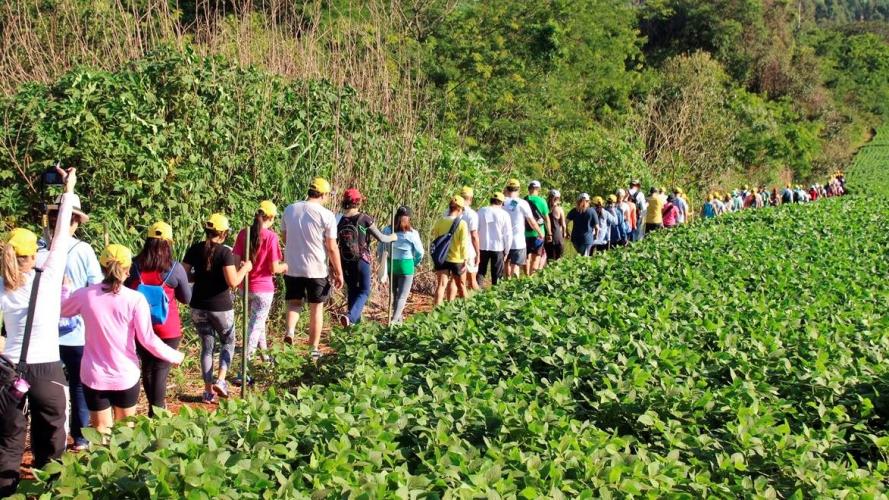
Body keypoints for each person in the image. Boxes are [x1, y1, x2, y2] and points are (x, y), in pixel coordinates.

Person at [0, 166, 76, 496]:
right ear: (34, 255)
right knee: (52, 438)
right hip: (47, 368)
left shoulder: (2, 286)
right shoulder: (48, 275)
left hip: (8, 369)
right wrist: (67, 188)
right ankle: (48, 491)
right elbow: (60, 235)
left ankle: (5, 491)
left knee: (8, 441)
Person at [62, 244, 184, 434]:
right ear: (128, 270)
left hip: (94, 376)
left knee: (101, 431)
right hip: (125, 375)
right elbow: (148, 339)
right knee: (125, 434)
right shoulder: (135, 299)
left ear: (102, 268)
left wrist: (65, 288)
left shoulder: (84, 296)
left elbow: (62, 310)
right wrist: (174, 356)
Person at [37, 192, 101, 451]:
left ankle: (50, 439)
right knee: (77, 384)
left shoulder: (38, 251)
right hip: (76, 333)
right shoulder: (83, 250)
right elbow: (96, 287)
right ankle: (80, 437)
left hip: (43, 334)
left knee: (46, 388)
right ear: (75, 222)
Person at [183, 213, 252, 403]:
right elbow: (233, 282)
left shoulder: (195, 249)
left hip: (198, 305)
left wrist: (200, 277)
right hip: (220, 306)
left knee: (207, 347)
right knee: (228, 342)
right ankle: (221, 380)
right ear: (222, 233)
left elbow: (184, 275)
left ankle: (207, 391)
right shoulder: (224, 253)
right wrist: (245, 269)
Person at [127, 222, 191, 417]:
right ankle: (156, 412)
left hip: (141, 326)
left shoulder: (134, 265)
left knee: (147, 367)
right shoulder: (174, 269)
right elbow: (186, 298)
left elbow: (127, 293)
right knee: (161, 370)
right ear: (168, 244)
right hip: (168, 328)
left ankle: (153, 408)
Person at [281, 178, 344, 361]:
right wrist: (338, 271)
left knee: (294, 303)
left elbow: (284, 237)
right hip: (316, 268)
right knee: (316, 308)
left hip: (292, 266)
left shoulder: (290, 209)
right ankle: (313, 348)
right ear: (323, 195)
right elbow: (332, 247)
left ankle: (290, 331)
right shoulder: (326, 215)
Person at [232, 201, 287, 363]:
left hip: (245, 288)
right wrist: (285, 267)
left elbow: (235, 261)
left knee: (258, 322)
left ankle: (265, 358)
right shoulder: (271, 237)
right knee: (255, 326)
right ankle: (245, 366)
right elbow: (273, 268)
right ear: (270, 218)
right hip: (263, 289)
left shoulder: (244, 233)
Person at [336, 189, 395, 327]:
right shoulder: (364, 218)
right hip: (361, 259)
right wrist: (393, 237)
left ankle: (351, 326)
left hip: (345, 260)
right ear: (358, 202)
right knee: (364, 290)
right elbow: (381, 238)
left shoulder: (339, 220)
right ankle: (350, 317)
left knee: (352, 290)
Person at [377, 206, 424, 324]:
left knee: (394, 293)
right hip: (406, 265)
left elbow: (380, 248)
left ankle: (398, 320)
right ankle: (394, 320)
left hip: (391, 264)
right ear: (409, 219)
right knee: (402, 296)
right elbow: (420, 252)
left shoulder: (387, 230)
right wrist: (416, 263)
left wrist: (381, 261)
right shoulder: (412, 234)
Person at [431, 195, 469, 305]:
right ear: (459, 209)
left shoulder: (440, 221)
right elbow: (463, 244)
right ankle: (466, 309)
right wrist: (465, 260)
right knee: (461, 286)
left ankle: (435, 312)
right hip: (457, 259)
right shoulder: (462, 224)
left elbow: (436, 238)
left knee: (441, 285)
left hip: (442, 258)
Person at [503, 179, 543, 278]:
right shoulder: (522, 203)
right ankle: (513, 284)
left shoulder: (502, 202)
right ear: (519, 189)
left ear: (507, 189)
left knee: (506, 262)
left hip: (503, 240)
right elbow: (532, 221)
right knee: (515, 265)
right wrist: (540, 232)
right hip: (518, 241)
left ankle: (506, 281)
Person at [476, 192, 513, 286]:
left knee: (480, 271)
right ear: (501, 203)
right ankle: (495, 292)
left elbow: (476, 229)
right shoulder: (504, 214)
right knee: (497, 274)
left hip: (482, 245)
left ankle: (478, 290)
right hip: (498, 247)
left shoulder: (481, 211)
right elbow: (508, 234)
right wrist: (507, 251)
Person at [524, 181, 551, 275]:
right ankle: (532, 276)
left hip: (525, 233)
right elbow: (547, 219)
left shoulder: (524, 200)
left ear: (529, 188)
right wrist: (549, 233)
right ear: (538, 189)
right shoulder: (542, 201)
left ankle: (527, 275)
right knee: (536, 257)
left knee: (527, 257)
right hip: (539, 233)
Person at [457, 187, 481, 291]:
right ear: (470, 199)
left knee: (456, 280)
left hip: (454, 250)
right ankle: (481, 302)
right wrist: (478, 254)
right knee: (472, 280)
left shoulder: (449, 211)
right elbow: (474, 236)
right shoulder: (471, 214)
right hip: (468, 250)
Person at [545, 190, 566, 262]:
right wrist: (564, 234)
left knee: (550, 259)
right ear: (558, 198)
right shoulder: (559, 209)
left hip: (548, 236)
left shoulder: (546, 209)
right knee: (559, 259)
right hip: (558, 236)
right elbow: (563, 225)